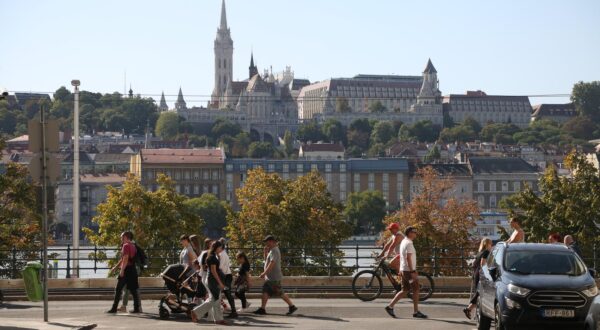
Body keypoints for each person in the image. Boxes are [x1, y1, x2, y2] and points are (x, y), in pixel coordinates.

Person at [384, 226, 427, 319]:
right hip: (408, 271)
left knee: (405, 290)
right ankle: (416, 312)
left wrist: (400, 269)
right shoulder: (409, 244)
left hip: (404, 269)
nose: (415, 234)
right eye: (414, 232)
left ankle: (390, 306)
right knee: (416, 289)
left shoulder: (404, 241)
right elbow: (408, 258)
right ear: (410, 233)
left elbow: (402, 257)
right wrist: (412, 271)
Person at [253, 235, 297, 316]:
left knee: (278, 292)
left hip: (273, 277)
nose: (266, 244)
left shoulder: (275, 250)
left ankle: (292, 306)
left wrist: (264, 273)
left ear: (272, 241)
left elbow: (272, 263)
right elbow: (267, 260)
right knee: (267, 291)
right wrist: (265, 252)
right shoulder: (271, 250)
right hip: (271, 277)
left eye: (267, 242)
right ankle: (263, 308)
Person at [190, 241, 228, 326]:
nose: (222, 249)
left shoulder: (213, 256)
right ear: (217, 247)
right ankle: (195, 312)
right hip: (213, 281)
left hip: (212, 280)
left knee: (216, 300)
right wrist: (220, 283)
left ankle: (218, 319)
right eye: (221, 247)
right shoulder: (212, 257)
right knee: (214, 299)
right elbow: (213, 271)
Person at [106, 231, 142, 314]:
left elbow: (125, 258)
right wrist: (115, 267)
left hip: (126, 270)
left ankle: (114, 308)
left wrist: (122, 270)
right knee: (133, 290)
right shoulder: (133, 246)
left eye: (122, 237)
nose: (121, 238)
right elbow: (124, 259)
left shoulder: (125, 246)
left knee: (118, 289)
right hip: (133, 270)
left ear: (126, 237)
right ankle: (136, 308)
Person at [462, 237, 493, 319]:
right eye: (491, 243)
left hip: (476, 273)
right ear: (487, 244)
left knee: (479, 293)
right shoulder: (486, 252)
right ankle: (470, 309)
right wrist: (487, 275)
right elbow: (483, 264)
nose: (491, 245)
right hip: (481, 274)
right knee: (480, 293)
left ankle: (471, 310)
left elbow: (474, 264)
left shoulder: (480, 252)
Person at [218, 237, 238, 318]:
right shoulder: (224, 253)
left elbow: (221, 267)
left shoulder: (222, 255)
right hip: (227, 275)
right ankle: (233, 310)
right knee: (227, 293)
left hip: (225, 276)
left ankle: (233, 311)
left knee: (227, 293)